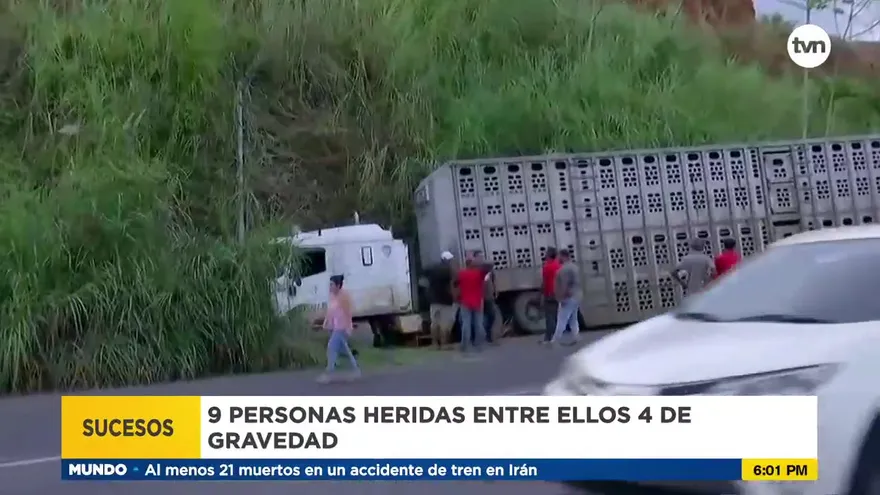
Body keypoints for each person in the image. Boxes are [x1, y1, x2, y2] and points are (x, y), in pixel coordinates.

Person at [317, 275, 360, 383]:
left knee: (331, 347)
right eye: (330, 284)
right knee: (343, 350)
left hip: (342, 328)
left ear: (338, 285)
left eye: (332, 284)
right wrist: (326, 323)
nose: (330, 287)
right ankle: (355, 368)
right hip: (335, 327)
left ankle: (328, 374)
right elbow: (330, 312)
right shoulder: (332, 296)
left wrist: (348, 328)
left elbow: (347, 313)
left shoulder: (344, 297)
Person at [422, 251, 458, 349]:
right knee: (444, 323)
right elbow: (453, 284)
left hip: (434, 300)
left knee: (434, 323)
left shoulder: (432, 268)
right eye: (450, 260)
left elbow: (425, 276)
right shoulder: (449, 270)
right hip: (446, 300)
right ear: (447, 260)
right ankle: (444, 344)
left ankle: (434, 344)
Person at [550, 249, 581, 345]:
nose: (558, 258)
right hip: (576, 296)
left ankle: (555, 340)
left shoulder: (564, 270)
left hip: (568, 297)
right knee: (573, 318)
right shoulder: (575, 267)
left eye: (560, 256)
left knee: (562, 319)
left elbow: (564, 285)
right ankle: (576, 336)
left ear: (564, 256)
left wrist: (562, 297)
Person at [456, 254, 485, 353]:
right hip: (477, 301)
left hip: (465, 301)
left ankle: (464, 345)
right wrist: (479, 262)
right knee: (479, 323)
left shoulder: (461, 273)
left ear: (466, 264)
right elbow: (489, 266)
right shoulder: (479, 273)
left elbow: (456, 284)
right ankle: (479, 344)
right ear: (473, 264)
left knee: (466, 324)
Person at [473, 250, 497, 344]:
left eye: (482, 256)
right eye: (479, 256)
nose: (481, 258)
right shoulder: (475, 268)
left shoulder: (488, 268)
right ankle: (478, 338)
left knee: (492, 315)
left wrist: (495, 289)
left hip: (488, 295)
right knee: (478, 318)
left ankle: (488, 335)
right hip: (479, 296)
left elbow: (493, 279)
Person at [540, 247, 562, 344]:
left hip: (549, 293)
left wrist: (541, 294)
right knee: (556, 314)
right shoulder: (559, 266)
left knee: (549, 316)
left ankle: (549, 337)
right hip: (558, 293)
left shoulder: (546, 267)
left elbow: (544, 283)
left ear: (549, 255)